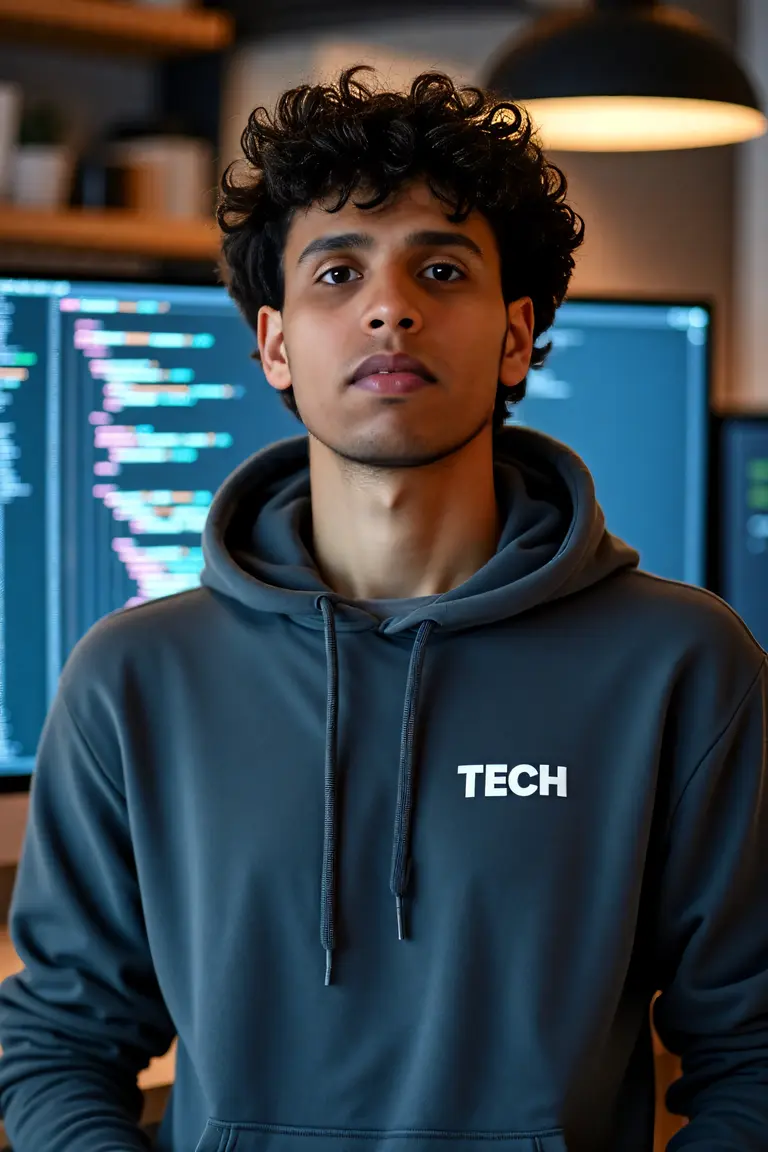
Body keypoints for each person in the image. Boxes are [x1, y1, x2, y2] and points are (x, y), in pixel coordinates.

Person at [0, 66, 766, 1152]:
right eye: (337, 271)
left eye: (440, 269)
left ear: (515, 337)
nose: (390, 305)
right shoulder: (131, 678)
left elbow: (754, 1055)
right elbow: (56, 1044)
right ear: (274, 344)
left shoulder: (682, 665)